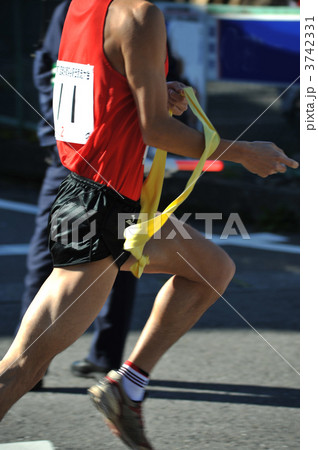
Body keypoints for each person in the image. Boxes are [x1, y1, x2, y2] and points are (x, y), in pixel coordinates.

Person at [0, 0, 299, 449]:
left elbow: (101, 89)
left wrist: (156, 89)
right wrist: (243, 152)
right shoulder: (140, 14)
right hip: (99, 210)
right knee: (24, 365)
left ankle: (127, 386)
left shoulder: (85, 7)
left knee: (212, 270)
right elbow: (157, 131)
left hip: (109, 202)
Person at [20, 0, 137, 385]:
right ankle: (28, 364)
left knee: (124, 256)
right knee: (47, 256)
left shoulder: (135, 11)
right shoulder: (74, 9)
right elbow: (51, 69)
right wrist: (54, 135)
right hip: (72, 158)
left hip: (114, 159)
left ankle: (107, 357)